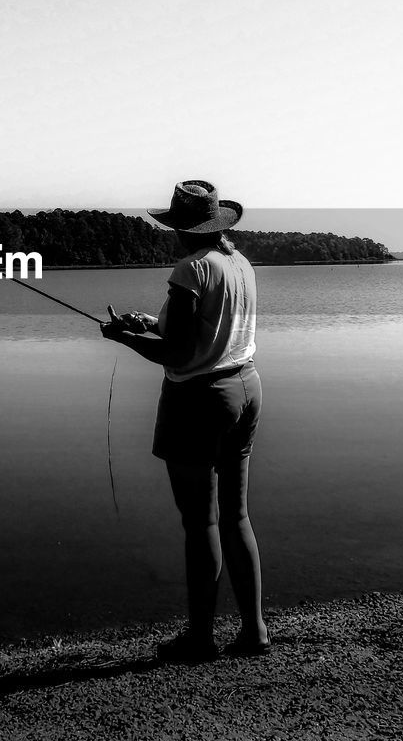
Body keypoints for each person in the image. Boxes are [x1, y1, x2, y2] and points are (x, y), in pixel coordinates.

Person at [101, 179, 269, 663]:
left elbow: (178, 353)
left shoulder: (190, 270)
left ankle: (200, 639)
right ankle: (253, 630)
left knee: (200, 523)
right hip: (246, 386)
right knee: (236, 515)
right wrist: (147, 323)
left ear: (181, 227)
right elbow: (205, 331)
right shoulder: (239, 265)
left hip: (198, 399)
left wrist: (122, 338)